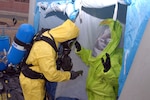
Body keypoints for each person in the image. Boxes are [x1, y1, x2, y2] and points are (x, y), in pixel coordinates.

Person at [19, 19, 82, 100]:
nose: (69, 45)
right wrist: (69, 75)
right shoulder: (46, 50)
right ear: (66, 38)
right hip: (32, 83)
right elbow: (51, 76)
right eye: (70, 43)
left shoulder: (49, 34)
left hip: (37, 78)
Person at [74, 19, 123, 100]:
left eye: (106, 38)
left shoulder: (113, 59)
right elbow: (90, 59)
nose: (101, 39)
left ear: (112, 41)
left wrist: (108, 71)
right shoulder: (98, 54)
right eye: (102, 34)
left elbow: (118, 82)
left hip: (104, 96)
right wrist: (80, 50)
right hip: (92, 92)